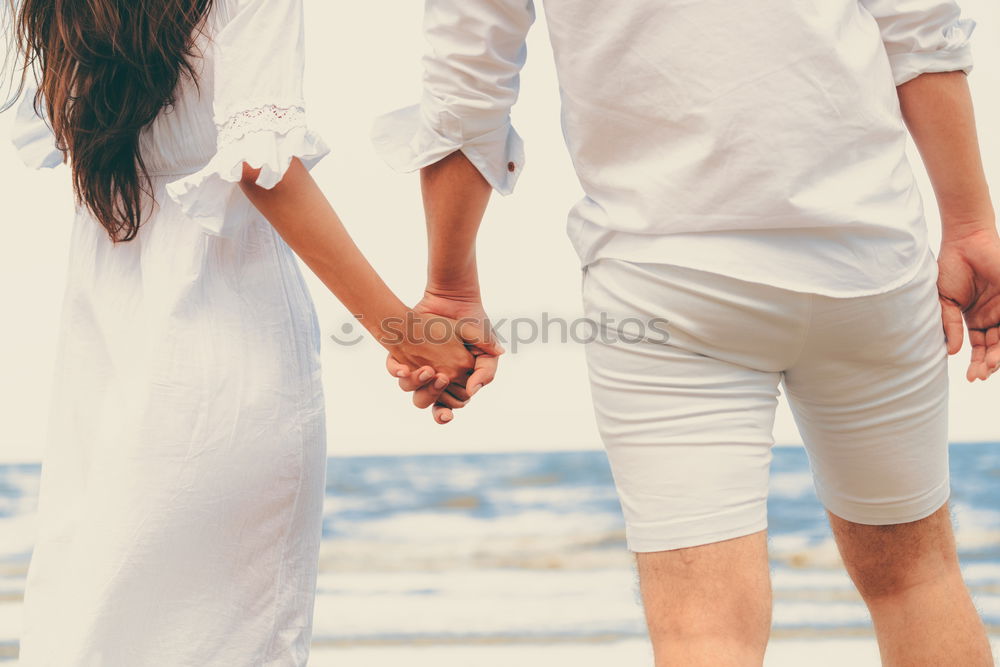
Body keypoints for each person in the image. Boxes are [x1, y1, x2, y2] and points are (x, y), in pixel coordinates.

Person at [374, 0, 998, 664]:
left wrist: (450, 285)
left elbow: (467, 84)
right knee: (916, 579)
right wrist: (968, 224)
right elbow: (917, 27)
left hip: (665, 278)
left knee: (705, 630)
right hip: (867, 259)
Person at [5, 0, 500, 663]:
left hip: (103, 351)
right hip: (227, 350)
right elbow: (259, 167)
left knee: (93, 623)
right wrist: (402, 331)